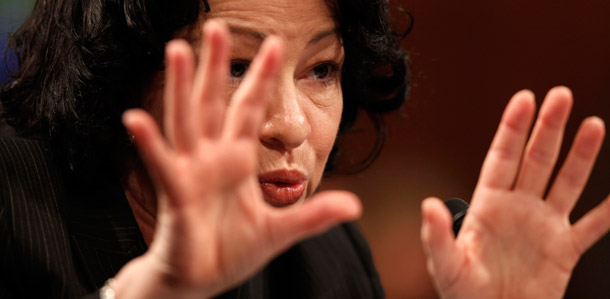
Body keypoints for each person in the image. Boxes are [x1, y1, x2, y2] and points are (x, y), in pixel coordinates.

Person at [0, 1, 608, 299]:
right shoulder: (11, 200)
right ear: (121, 69)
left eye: (321, 70)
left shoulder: (325, 262)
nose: (290, 126)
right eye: (238, 66)